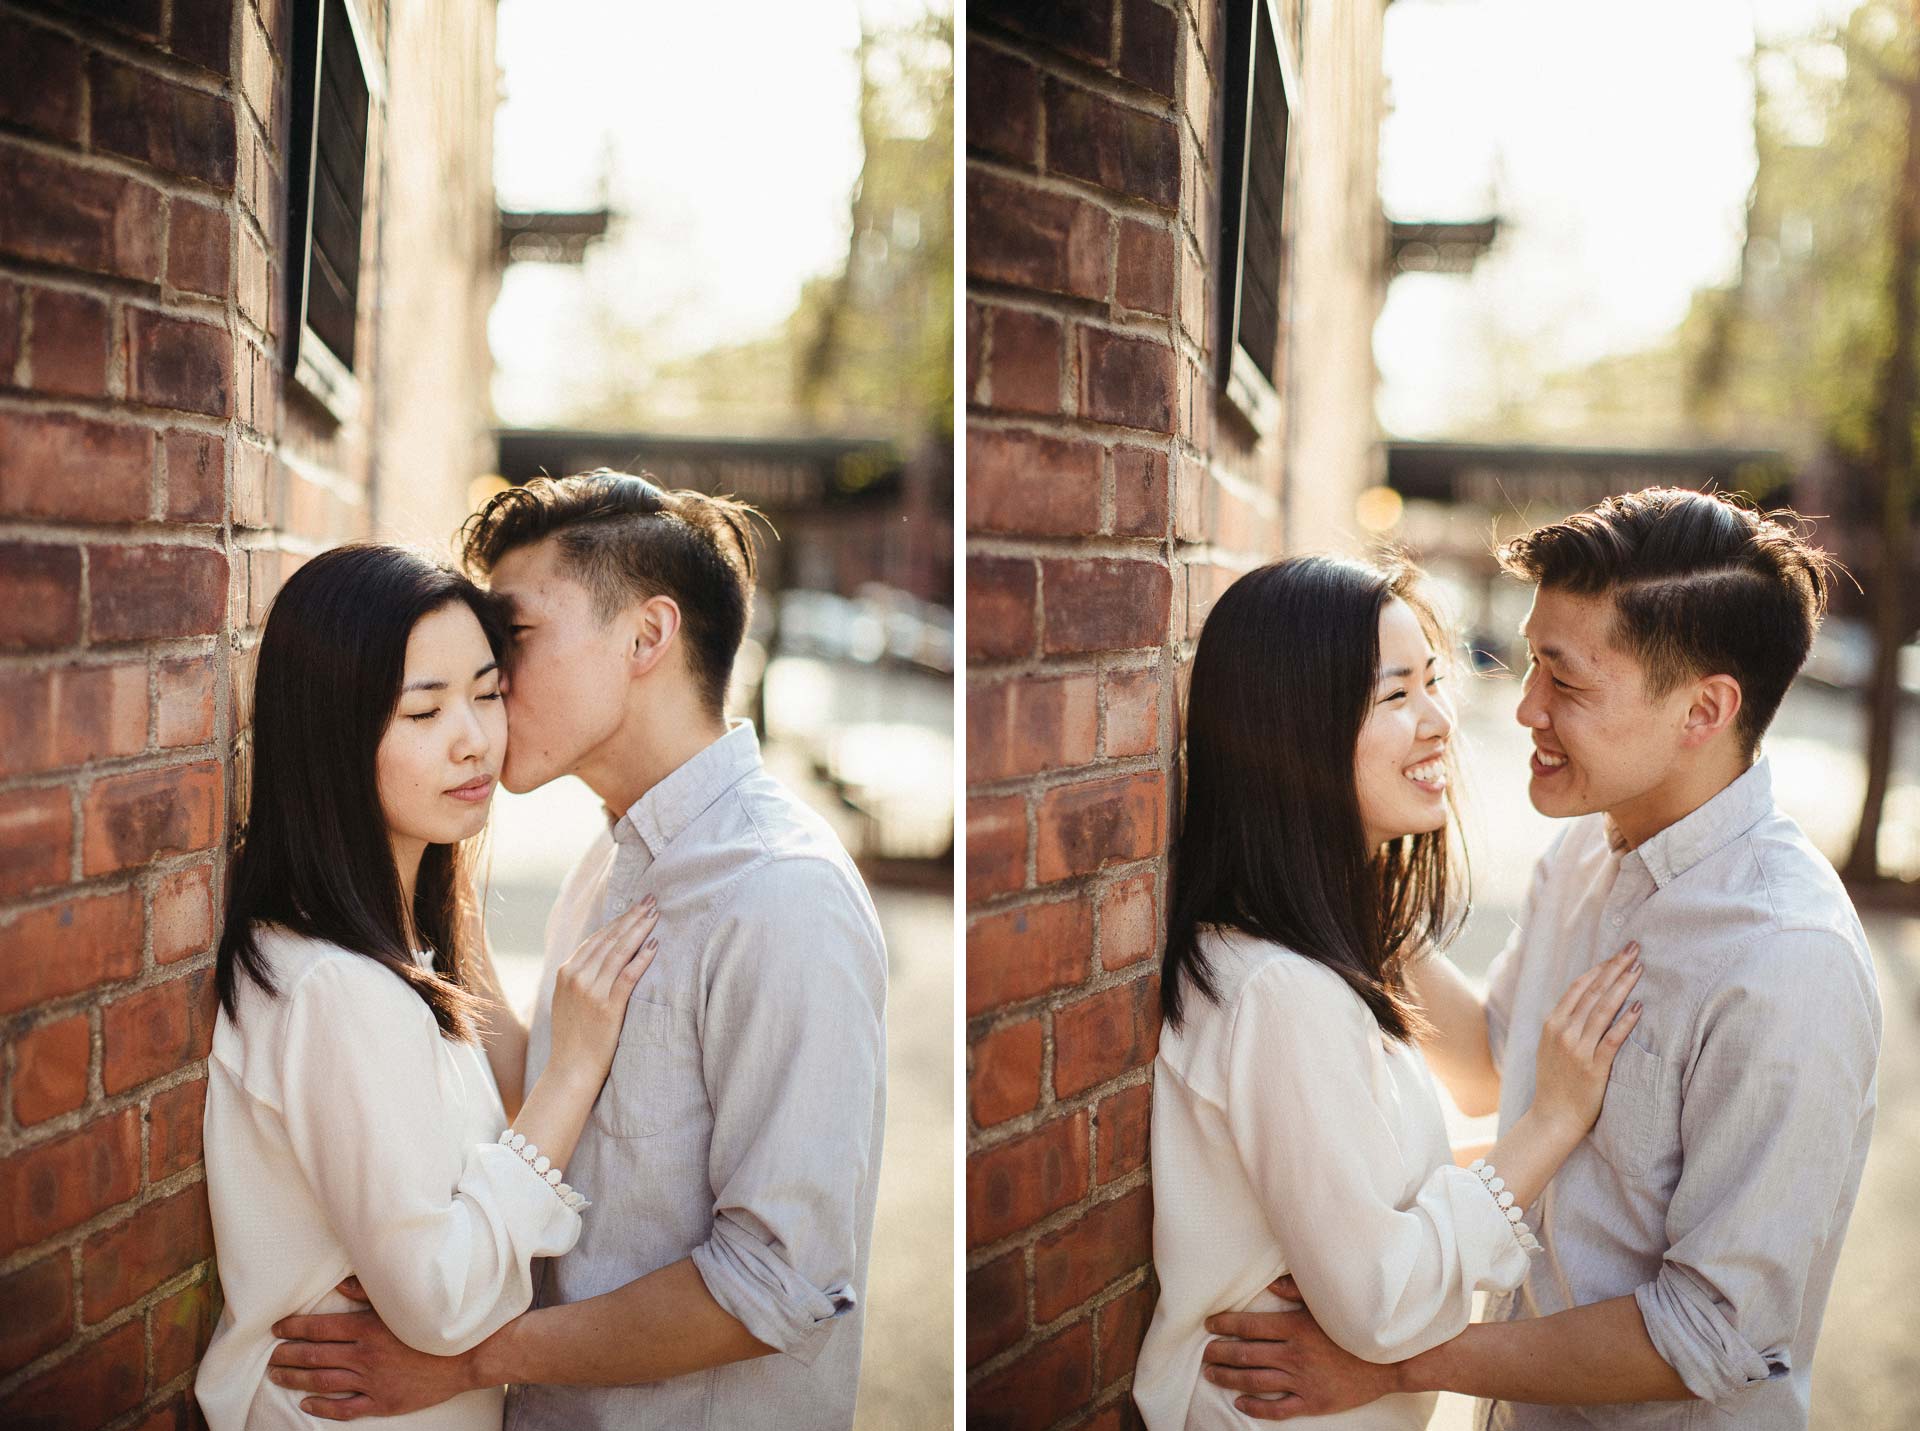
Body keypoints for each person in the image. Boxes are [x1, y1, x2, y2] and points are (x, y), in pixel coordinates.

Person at [1201, 490, 1881, 1428]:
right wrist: (1332, 873)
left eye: (1566, 682)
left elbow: (1709, 1332)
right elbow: (1497, 1067)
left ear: (1704, 709)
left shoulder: (1786, 960)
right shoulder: (1584, 852)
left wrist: (1394, 1359)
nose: (1524, 707)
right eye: (1531, 662)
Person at [264, 472, 889, 1431]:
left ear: (646, 637)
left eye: (513, 635)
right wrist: (420, 875)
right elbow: (554, 1100)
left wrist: (469, 1356)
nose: (494, 676)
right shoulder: (612, 859)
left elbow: (775, 1282)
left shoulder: (780, 895)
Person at [1133, 554, 1645, 1431]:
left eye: (1434, 682)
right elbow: (1383, 1302)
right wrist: (1552, 1122)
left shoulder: (1326, 947)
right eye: (1397, 694)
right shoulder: (1278, 993)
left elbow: (1454, 1105)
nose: (1440, 719)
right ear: (1295, 734)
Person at [197, 544, 661, 1430]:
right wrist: (575, 1069)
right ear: (335, 735)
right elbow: (440, 1301)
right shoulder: (335, 988)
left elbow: (490, 1114)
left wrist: (447, 915)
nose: (474, 738)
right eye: (425, 709)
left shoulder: (381, 946)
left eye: (486, 694)